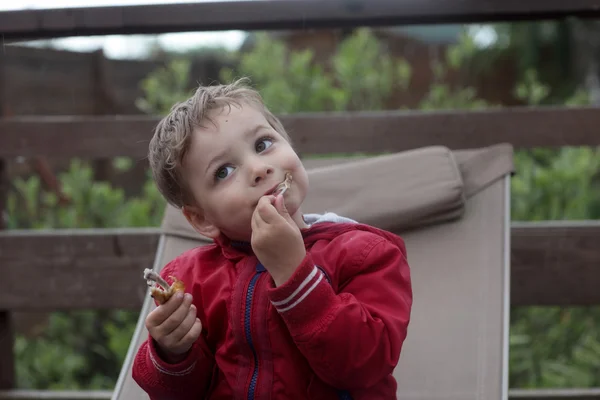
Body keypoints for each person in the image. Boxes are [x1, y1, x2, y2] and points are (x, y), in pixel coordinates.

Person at [131, 78, 412, 399]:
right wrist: (171, 354)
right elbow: (181, 393)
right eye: (223, 171)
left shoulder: (367, 254)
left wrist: (295, 274)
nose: (258, 168)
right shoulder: (189, 282)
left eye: (263, 144)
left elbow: (366, 365)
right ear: (202, 219)